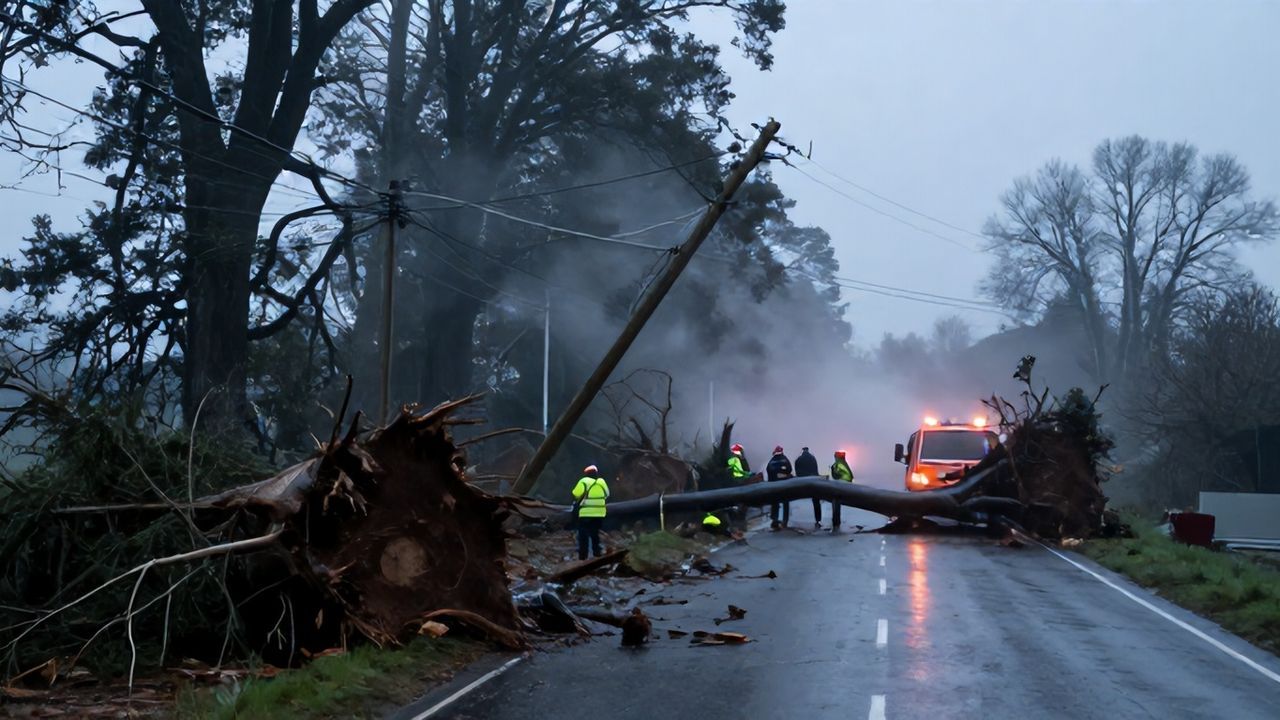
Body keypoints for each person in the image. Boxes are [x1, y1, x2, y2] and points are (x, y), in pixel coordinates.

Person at [572, 464, 610, 560]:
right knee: (595, 534)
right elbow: (607, 494)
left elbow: (575, 494)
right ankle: (597, 554)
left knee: (583, 534)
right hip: (600, 513)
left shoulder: (584, 481)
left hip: (586, 513)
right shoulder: (601, 482)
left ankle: (583, 556)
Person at [766, 445, 793, 530]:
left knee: (775, 503)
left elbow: (768, 470)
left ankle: (775, 520)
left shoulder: (771, 461)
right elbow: (789, 469)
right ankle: (785, 521)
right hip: (784, 485)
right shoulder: (785, 459)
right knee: (785, 503)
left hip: (774, 486)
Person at [794, 446, 821, 529]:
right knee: (816, 501)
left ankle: (794, 519)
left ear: (802, 451)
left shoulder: (798, 459)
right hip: (813, 481)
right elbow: (816, 470)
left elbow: (797, 470)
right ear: (808, 450)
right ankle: (818, 520)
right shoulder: (813, 458)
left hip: (802, 482)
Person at [830, 451, 855, 533]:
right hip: (845, 485)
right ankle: (837, 522)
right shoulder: (844, 463)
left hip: (841, 486)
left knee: (835, 503)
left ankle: (836, 523)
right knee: (837, 503)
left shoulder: (838, 464)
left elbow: (835, 476)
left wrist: (832, 469)